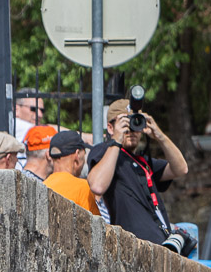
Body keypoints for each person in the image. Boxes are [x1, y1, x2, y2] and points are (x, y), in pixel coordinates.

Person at [87, 98, 194, 255]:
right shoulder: (104, 152)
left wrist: (160, 136)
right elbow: (97, 185)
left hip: (160, 245)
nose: (131, 130)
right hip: (133, 248)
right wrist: (116, 140)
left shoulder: (143, 162)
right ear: (110, 127)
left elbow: (181, 169)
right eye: (125, 123)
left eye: (135, 123)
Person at [45, 130, 99, 215]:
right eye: (84, 154)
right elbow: (96, 225)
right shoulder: (82, 187)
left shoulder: (44, 185)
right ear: (77, 155)